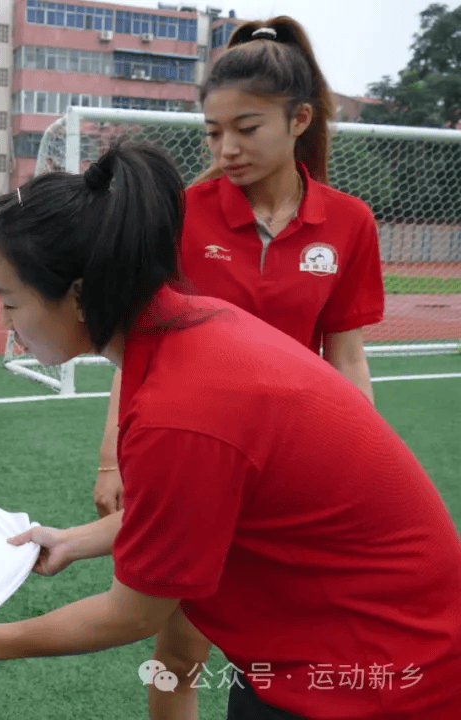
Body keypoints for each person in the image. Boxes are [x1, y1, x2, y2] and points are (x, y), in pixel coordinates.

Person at [0, 140, 461, 720]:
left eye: (11, 304)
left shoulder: (181, 410)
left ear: (77, 295)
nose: (10, 329)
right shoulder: (194, 325)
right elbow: (207, 503)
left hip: (377, 671)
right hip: (348, 632)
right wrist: (78, 539)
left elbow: (135, 613)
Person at [91, 19, 387, 716]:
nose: (225, 148)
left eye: (245, 128)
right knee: (177, 656)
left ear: (299, 119)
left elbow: (345, 357)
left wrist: (367, 462)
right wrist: (112, 459)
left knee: (293, 649)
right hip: (199, 459)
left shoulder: (350, 223)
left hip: (293, 474)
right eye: (211, 130)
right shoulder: (181, 214)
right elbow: (140, 347)